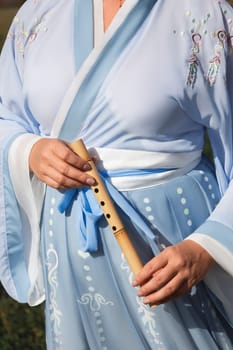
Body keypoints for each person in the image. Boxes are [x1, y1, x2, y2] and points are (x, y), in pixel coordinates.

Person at [0, 0, 233, 348]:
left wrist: (207, 247)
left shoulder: (201, 13)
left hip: (172, 240)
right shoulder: (40, 11)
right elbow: (7, 117)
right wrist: (28, 150)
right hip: (67, 243)